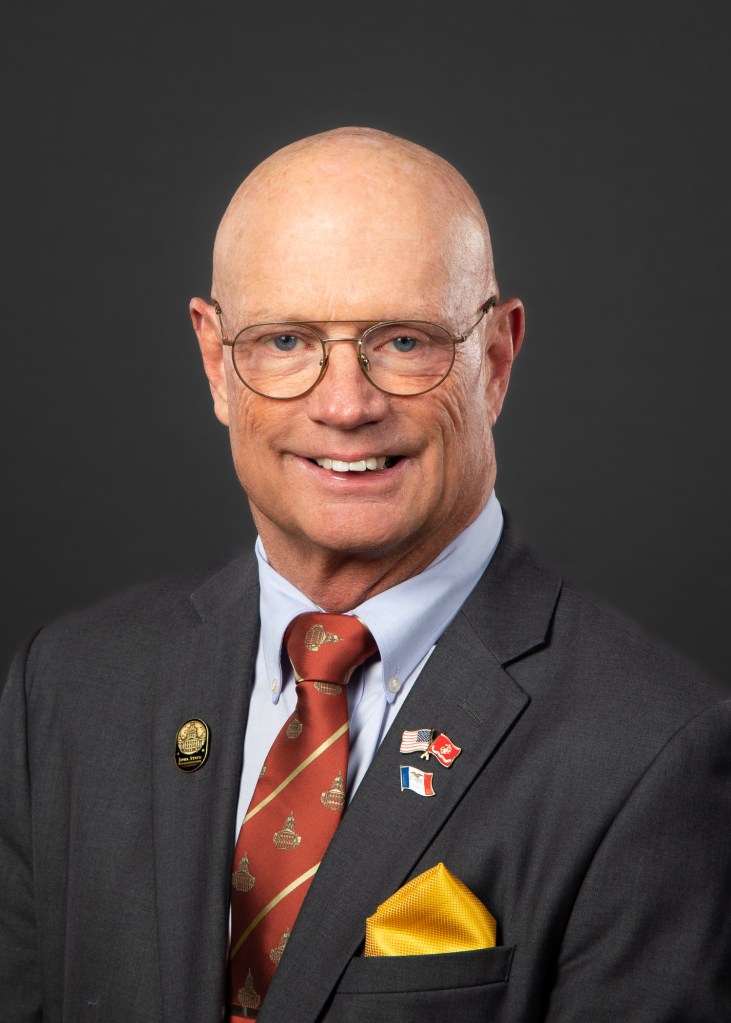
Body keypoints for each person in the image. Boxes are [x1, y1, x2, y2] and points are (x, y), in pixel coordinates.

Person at [2, 127, 729, 1023]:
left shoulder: (649, 751)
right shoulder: (67, 691)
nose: (345, 404)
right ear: (215, 361)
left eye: (403, 340)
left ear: (494, 359)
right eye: (284, 341)